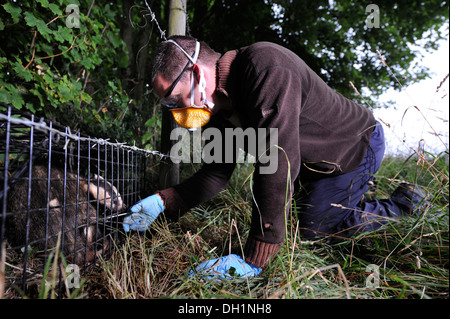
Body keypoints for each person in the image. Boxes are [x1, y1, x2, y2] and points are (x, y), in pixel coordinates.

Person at [123, 35, 429, 280]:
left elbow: (277, 159)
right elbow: (216, 173)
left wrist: (257, 254)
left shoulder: (265, 67)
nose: (176, 114)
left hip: (353, 146)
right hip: (312, 162)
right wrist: (165, 200)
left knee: (314, 230)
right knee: (304, 216)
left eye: (174, 100)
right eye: (168, 106)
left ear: (195, 72)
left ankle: (404, 205)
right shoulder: (215, 111)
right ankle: (351, 196)